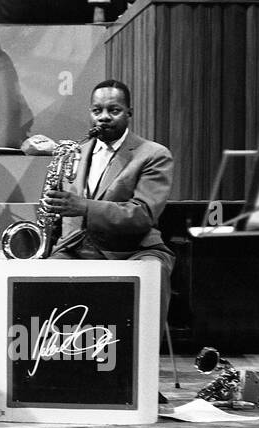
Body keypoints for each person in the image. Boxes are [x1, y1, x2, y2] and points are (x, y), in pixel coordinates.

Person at [43, 80, 175, 288]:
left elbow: (142, 215)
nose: (104, 117)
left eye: (114, 110)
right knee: (36, 282)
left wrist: (84, 206)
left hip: (133, 250)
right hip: (75, 249)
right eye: (97, 111)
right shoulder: (74, 153)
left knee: (152, 274)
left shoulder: (154, 154)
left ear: (129, 113)